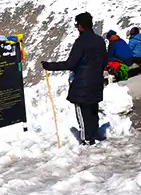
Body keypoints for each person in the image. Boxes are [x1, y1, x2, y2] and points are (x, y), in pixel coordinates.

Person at [42, 12, 108, 145]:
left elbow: (70, 64)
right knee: (93, 110)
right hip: (96, 82)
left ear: (81, 26)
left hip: (82, 84)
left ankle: (86, 139)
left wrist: (49, 66)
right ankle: (93, 134)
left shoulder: (80, 42)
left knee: (82, 112)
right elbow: (104, 61)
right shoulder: (100, 41)